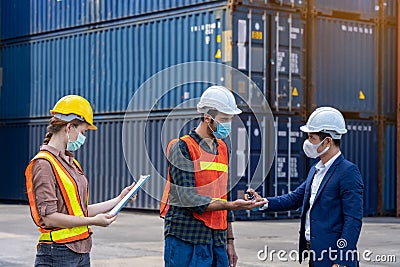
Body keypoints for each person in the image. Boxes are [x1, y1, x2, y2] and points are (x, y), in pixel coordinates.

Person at [160, 86, 267, 267]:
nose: (228, 124)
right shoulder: (182, 147)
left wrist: (230, 241)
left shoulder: (223, 148)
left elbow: (225, 193)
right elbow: (188, 198)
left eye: (230, 119)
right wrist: (232, 206)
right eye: (224, 119)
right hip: (186, 237)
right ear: (207, 117)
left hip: (217, 239)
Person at [25, 95, 136, 267]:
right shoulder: (44, 164)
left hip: (82, 251)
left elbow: (79, 210)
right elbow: (50, 218)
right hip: (57, 253)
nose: (84, 137)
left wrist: (120, 199)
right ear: (69, 127)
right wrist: (93, 222)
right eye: (83, 132)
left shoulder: (71, 163)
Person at [247, 107, 364, 267]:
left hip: (334, 259)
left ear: (328, 141)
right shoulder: (316, 169)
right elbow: (294, 198)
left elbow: (353, 220)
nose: (307, 142)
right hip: (315, 256)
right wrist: (263, 202)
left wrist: (341, 260)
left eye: (311, 137)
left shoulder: (348, 172)